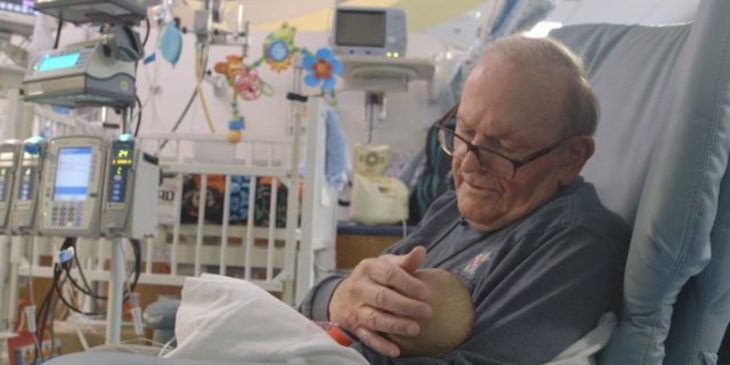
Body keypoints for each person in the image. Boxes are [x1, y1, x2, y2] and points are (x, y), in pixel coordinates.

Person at [299, 34, 631, 364]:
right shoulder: (449, 209)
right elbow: (343, 292)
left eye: (503, 146)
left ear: (572, 157)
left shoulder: (575, 245)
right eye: (465, 133)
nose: (469, 164)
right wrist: (336, 298)